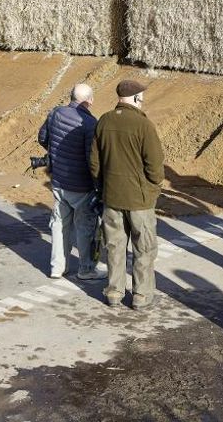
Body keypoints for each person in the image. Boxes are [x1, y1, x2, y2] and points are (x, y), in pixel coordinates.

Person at [89, 80, 164, 310]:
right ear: (136, 98)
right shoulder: (144, 125)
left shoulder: (104, 121)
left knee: (114, 247)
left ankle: (114, 293)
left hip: (112, 198)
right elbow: (155, 167)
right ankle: (141, 295)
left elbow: (94, 163)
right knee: (144, 248)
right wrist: (154, 187)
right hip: (140, 200)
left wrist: (103, 187)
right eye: (142, 96)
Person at [38, 83, 106, 281]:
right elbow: (92, 159)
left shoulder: (55, 113)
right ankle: (86, 269)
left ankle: (57, 267)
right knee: (85, 227)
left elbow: (42, 138)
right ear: (89, 100)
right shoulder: (90, 123)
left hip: (59, 181)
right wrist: (98, 185)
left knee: (59, 224)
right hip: (81, 185)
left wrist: (57, 155)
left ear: (71, 97)